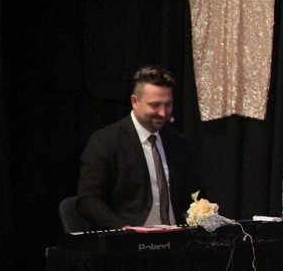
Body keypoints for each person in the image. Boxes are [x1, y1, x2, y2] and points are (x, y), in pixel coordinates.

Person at [76, 65, 197, 230]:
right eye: (155, 105)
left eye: (168, 105)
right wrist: (124, 229)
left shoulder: (178, 143)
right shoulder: (106, 141)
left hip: (176, 237)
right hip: (131, 239)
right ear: (135, 101)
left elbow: (194, 193)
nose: (163, 113)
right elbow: (87, 200)